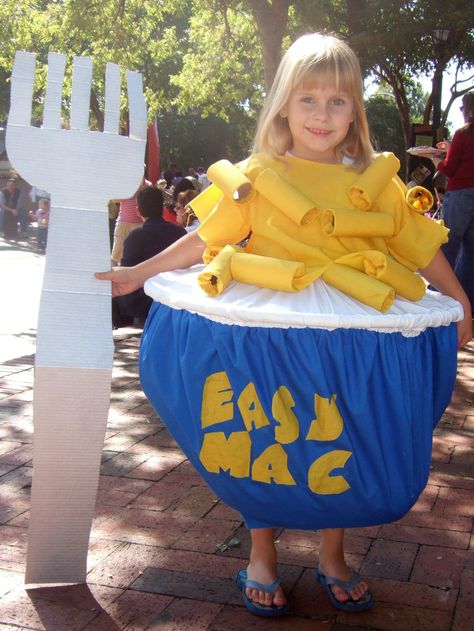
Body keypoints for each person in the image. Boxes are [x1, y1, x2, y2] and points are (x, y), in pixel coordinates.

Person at [97, 33, 471, 617]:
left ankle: (332, 553)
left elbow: (419, 246)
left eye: (338, 101)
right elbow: (206, 239)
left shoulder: (379, 180)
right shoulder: (255, 173)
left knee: (340, 427)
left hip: (352, 325)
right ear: (283, 105)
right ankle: (261, 554)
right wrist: (136, 271)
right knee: (268, 428)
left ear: (355, 110)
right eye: (308, 99)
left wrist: (459, 301)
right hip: (265, 326)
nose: (322, 114)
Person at [426, 92, 474, 309]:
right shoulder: (462, 137)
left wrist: (435, 158)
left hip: (461, 193)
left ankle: (437, 296)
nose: (461, 112)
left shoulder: (463, 134)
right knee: (470, 252)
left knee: (448, 244)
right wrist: (450, 148)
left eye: (463, 108)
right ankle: (465, 302)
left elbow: (450, 169)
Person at [113, 185, 186, 324]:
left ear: (138, 211)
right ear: (163, 207)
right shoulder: (180, 234)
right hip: (175, 296)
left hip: (144, 302)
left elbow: (127, 272)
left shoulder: (135, 237)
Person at [110, 178, 150, 266]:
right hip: (123, 223)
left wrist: (142, 187)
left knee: (139, 255)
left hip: (140, 224)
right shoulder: (124, 183)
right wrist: (129, 192)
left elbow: (149, 201)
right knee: (116, 255)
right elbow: (114, 199)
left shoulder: (148, 185)